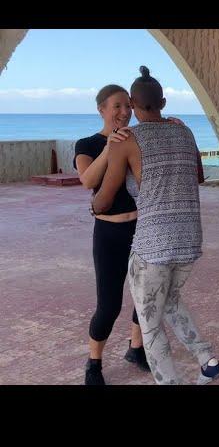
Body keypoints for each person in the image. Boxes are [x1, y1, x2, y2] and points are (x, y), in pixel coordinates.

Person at [91, 66, 219, 385]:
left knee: (150, 330)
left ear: (134, 106)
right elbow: (199, 176)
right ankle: (208, 360)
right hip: (189, 240)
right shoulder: (185, 131)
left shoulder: (127, 139)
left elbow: (105, 200)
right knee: (170, 302)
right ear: (163, 102)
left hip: (152, 247)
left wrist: (93, 205)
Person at [74, 84, 149, 385]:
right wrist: (109, 148)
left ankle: (136, 348)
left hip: (143, 228)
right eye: (116, 106)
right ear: (101, 109)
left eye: (128, 106)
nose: (124, 112)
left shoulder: (138, 140)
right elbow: (87, 180)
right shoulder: (87, 143)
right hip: (109, 232)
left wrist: (171, 127)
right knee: (109, 305)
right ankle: (94, 363)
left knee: (145, 297)